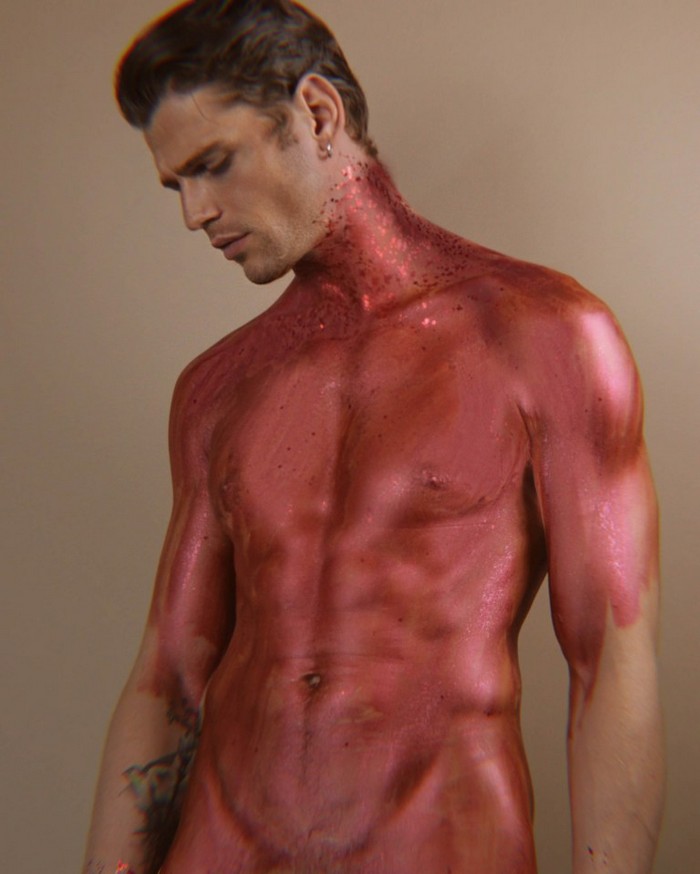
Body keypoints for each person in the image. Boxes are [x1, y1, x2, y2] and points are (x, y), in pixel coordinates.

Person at [83, 1, 664, 872]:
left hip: (436, 840)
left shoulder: (544, 336)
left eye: (213, 165)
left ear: (317, 113)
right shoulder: (217, 389)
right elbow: (168, 678)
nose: (195, 213)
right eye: (177, 186)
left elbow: (609, 660)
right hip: (221, 845)